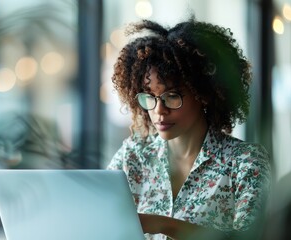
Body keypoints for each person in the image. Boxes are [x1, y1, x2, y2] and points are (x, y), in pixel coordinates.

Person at [107, 17, 272, 240]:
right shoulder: (133, 156)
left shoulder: (245, 162)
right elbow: (98, 219)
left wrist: (164, 225)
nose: (159, 110)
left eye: (172, 96)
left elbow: (252, 237)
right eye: (150, 97)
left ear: (203, 93)